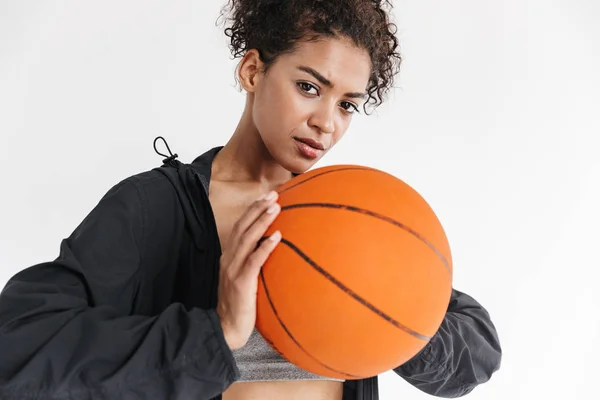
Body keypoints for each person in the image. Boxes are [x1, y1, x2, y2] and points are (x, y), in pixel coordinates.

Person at [0, 1, 502, 399]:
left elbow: (476, 354)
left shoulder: (351, 217)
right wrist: (214, 332)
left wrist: (386, 320)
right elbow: (16, 348)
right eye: (309, 87)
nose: (327, 122)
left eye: (347, 104)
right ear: (253, 71)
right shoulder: (157, 209)